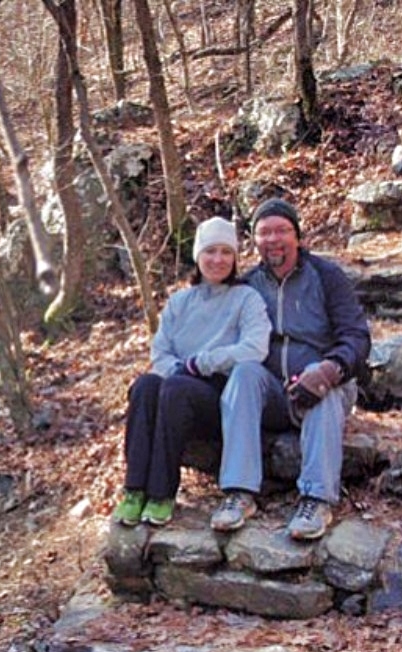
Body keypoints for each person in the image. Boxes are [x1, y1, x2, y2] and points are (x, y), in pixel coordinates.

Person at [210, 198, 371, 540]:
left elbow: (357, 337)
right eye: (264, 232)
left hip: (325, 384)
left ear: (297, 235)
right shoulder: (247, 285)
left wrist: (329, 369)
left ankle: (317, 499)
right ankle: (239, 492)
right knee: (244, 373)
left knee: (322, 385)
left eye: (281, 230)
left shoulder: (327, 277)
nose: (273, 239)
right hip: (273, 393)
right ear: (253, 241)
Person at [113, 216, 272, 527]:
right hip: (178, 382)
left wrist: (203, 362)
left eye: (226, 252)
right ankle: (134, 490)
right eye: (210, 251)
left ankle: (161, 493)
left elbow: (255, 348)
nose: (218, 260)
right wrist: (176, 369)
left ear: (236, 258)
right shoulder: (180, 302)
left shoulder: (246, 298)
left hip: (220, 396)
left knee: (175, 388)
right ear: (198, 256)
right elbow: (160, 351)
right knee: (145, 385)